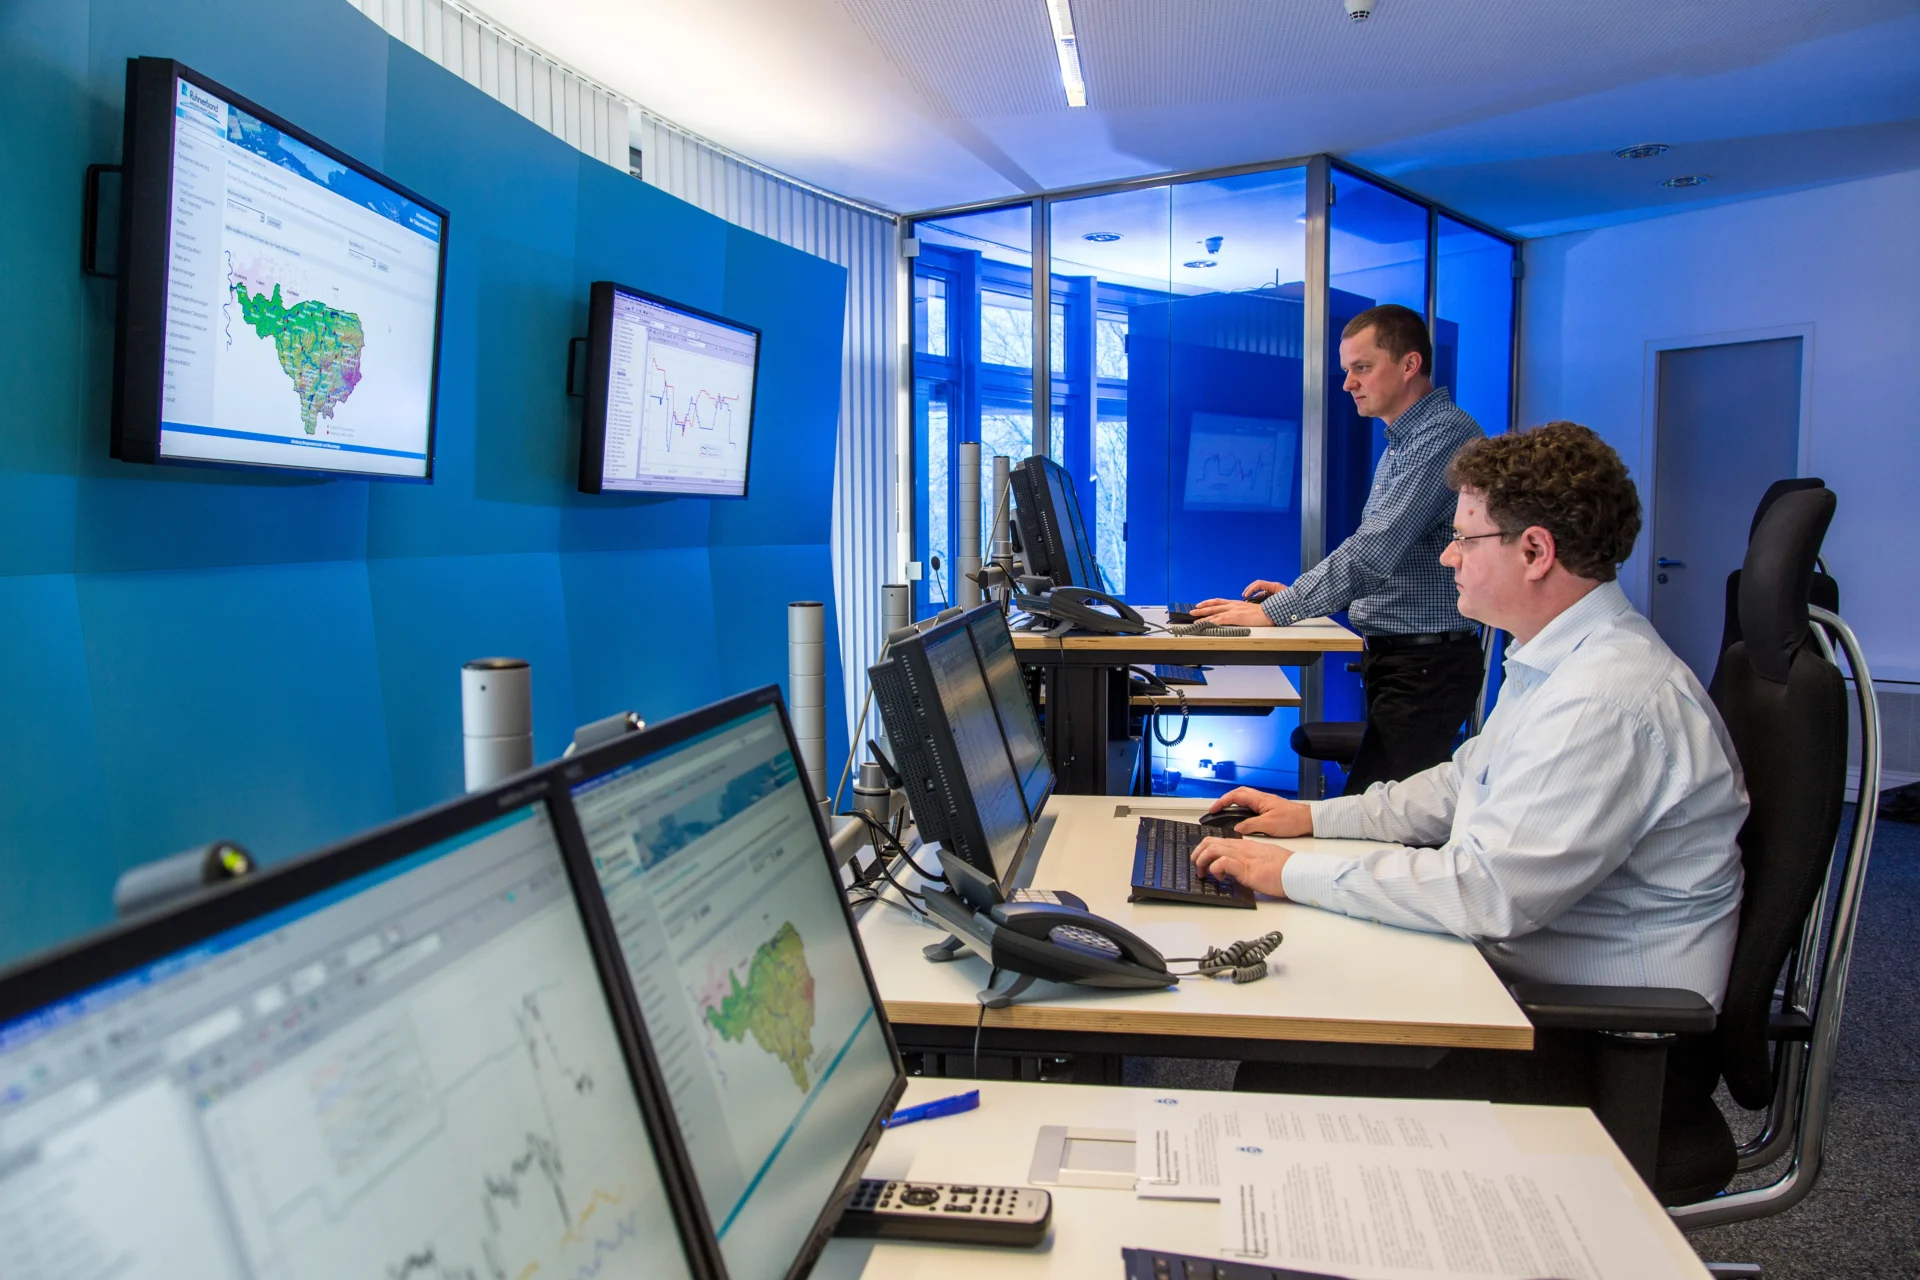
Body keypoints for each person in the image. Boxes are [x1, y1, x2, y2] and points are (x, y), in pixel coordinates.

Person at [1191, 422, 1749, 1200]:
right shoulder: (1558, 658)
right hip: (1531, 989)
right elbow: (1461, 784)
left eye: (1464, 538)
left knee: (1281, 1078)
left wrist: (1292, 875)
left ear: (1535, 551)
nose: (1448, 557)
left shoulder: (1607, 699)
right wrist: (1312, 821)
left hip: (1609, 1044)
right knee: (1306, 1013)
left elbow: (1484, 895)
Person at [1192, 304, 1486, 795]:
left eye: (1362, 367)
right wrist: (1296, 598)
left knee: (1373, 821)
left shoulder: (1442, 436)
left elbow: (1374, 552)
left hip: (1425, 666)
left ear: (1410, 364)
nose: (1348, 383)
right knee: (1376, 812)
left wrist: (1278, 611)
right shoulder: (1405, 439)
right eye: (1347, 369)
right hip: (1404, 661)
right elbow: (1395, 563)